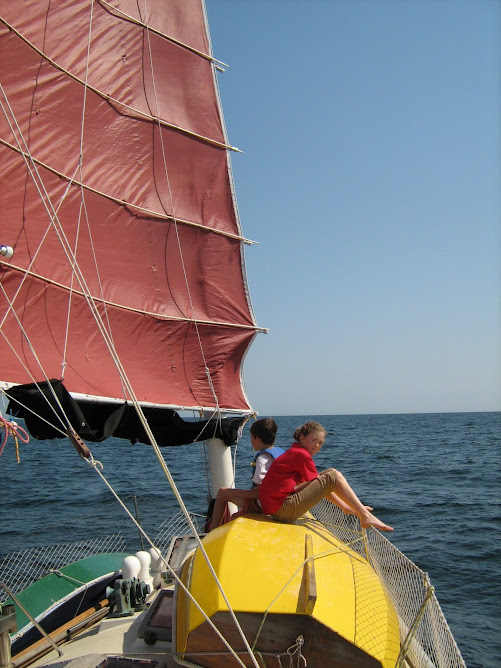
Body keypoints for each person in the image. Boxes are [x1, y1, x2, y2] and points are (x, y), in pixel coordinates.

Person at [259, 421, 393, 531]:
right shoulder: (301, 455)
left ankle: (352, 510)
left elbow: (320, 486)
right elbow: (325, 484)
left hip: (275, 509)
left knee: (327, 474)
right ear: (302, 438)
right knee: (333, 476)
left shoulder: (294, 451)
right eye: (313, 440)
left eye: (320, 443)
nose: (316, 446)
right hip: (282, 511)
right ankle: (365, 516)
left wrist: (344, 506)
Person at [209, 417, 284, 531]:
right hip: (280, 500)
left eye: (251, 437)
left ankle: (213, 532)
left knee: (222, 493)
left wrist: (232, 491)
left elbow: (259, 493)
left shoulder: (263, 459)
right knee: (235, 514)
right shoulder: (280, 453)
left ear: (256, 438)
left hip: (263, 505)